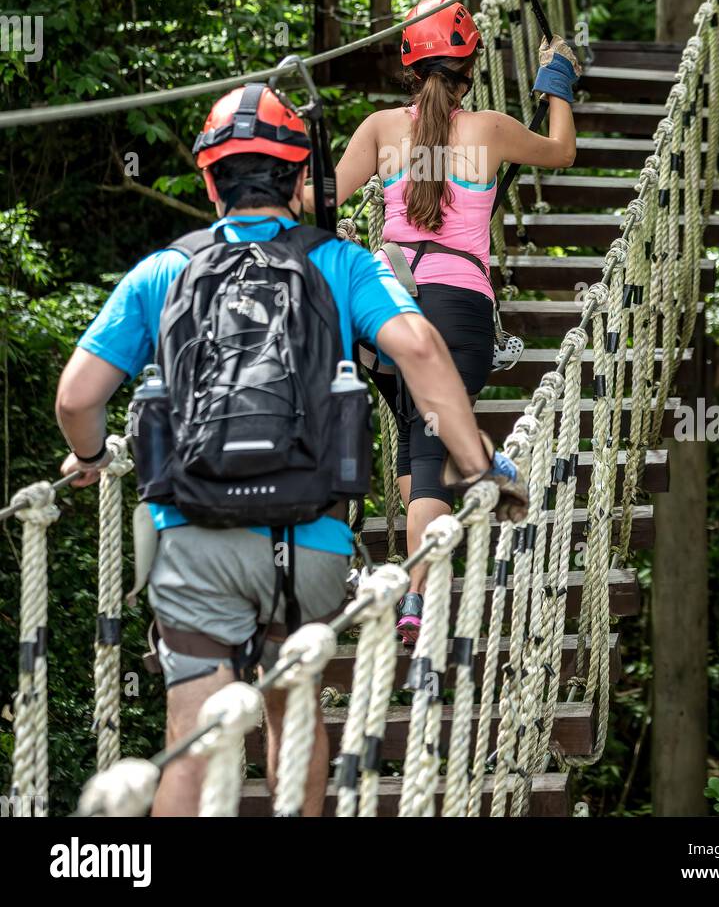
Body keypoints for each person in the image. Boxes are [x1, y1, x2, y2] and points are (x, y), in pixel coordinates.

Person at [54, 82, 522, 817]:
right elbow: (424, 350)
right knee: (294, 720)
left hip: (193, 534)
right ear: (303, 178)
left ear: (211, 180)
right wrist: (476, 464)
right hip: (311, 539)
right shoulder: (343, 264)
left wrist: (87, 458)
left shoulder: (163, 270)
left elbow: (77, 398)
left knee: (196, 735)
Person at [316, 0, 581, 646]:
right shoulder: (490, 129)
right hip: (457, 311)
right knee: (431, 447)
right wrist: (557, 82)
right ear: (470, 71)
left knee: (415, 433)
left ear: (410, 68)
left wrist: (309, 140)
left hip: (383, 307)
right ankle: (418, 599)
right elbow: (562, 153)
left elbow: (314, 200)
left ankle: (389, 566)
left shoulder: (380, 128)